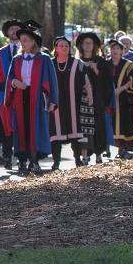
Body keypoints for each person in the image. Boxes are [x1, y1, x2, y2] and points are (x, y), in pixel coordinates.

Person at [4, 27, 58, 175]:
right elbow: (9, 79)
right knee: (21, 129)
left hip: (37, 98)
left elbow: (52, 81)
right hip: (20, 97)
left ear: (34, 41)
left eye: (26, 40)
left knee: (36, 129)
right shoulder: (17, 59)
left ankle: (34, 161)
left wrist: (53, 100)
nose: (23, 42)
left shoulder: (44, 59)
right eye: (21, 40)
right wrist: (15, 82)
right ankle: (22, 160)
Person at [49, 36, 89, 169]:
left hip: (73, 103)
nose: (65, 48)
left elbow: (86, 82)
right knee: (56, 133)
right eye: (61, 45)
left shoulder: (77, 63)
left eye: (66, 45)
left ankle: (77, 159)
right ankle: (56, 162)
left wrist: (88, 95)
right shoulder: (50, 64)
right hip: (55, 105)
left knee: (74, 131)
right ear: (56, 48)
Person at [75, 32, 113, 165]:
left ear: (94, 46)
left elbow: (108, 83)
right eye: (85, 43)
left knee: (98, 127)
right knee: (83, 129)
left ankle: (98, 154)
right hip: (81, 102)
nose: (87, 45)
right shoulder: (76, 63)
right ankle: (84, 156)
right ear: (81, 45)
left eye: (90, 43)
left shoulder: (101, 62)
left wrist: (97, 71)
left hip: (97, 101)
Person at [0, 20, 22, 169]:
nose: (14, 31)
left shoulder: (26, 51)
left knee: (21, 126)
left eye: (17, 28)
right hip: (5, 95)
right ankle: (7, 156)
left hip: (22, 94)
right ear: (7, 32)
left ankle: (22, 157)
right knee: (6, 126)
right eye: (11, 29)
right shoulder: (0, 53)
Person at [106, 40, 133, 159]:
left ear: (122, 51)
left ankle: (122, 148)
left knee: (123, 123)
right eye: (112, 48)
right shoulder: (106, 64)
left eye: (117, 49)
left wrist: (122, 88)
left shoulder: (129, 66)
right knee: (109, 122)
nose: (114, 51)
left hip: (123, 100)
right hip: (109, 99)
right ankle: (107, 148)